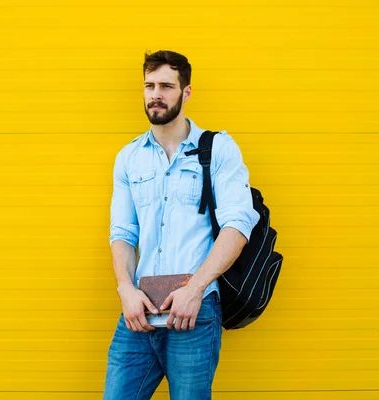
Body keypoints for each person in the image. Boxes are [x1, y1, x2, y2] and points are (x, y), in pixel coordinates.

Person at [103, 50, 260, 400]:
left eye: (166, 86)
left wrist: (195, 289)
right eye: (149, 85)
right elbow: (123, 233)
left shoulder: (219, 149)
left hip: (194, 310)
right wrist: (125, 290)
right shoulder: (129, 157)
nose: (155, 94)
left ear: (185, 92)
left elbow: (238, 227)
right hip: (140, 310)